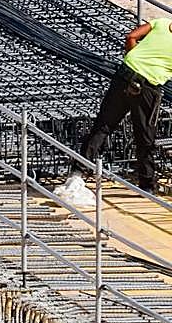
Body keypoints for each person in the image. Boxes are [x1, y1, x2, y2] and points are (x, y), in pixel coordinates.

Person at [55, 19, 172, 203]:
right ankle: (147, 185)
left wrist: (135, 59)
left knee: (103, 126)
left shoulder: (162, 23)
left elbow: (131, 36)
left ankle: (78, 172)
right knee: (145, 138)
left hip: (125, 75)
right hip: (148, 87)